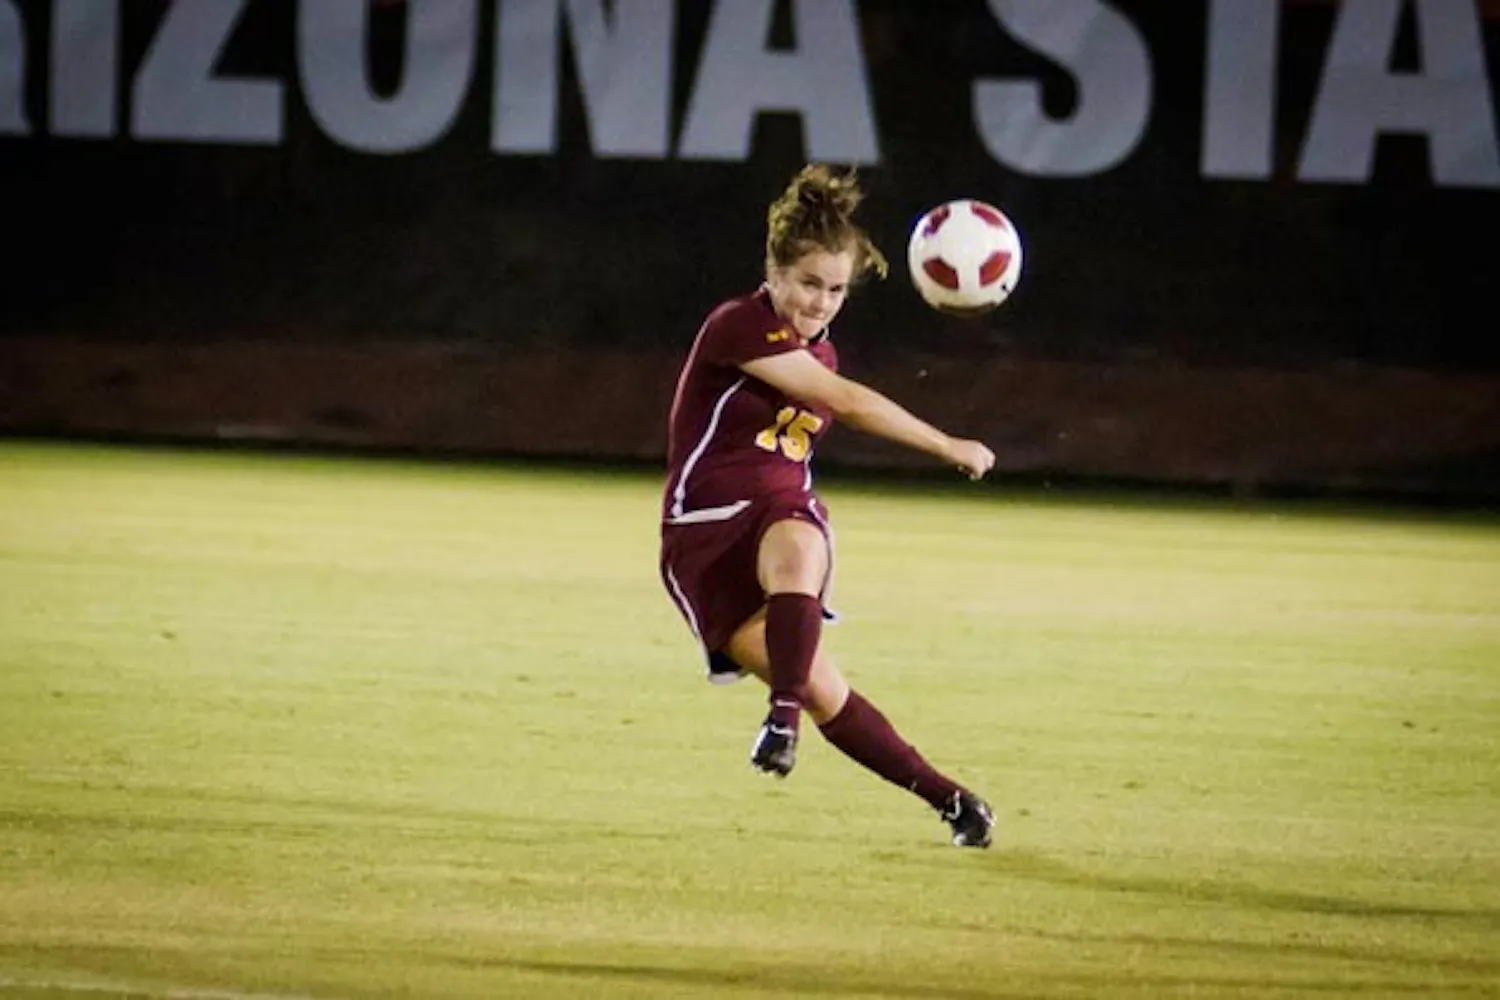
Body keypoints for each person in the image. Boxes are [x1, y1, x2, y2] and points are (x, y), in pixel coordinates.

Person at [658, 163, 998, 848]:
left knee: (800, 548)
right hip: (702, 535)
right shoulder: (738, 325)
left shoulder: (822, 351)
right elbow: (845, 402)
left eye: (836, 290)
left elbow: (821, 407)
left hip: (779, 513)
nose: (820, 303)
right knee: (820, 686)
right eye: (809, 284)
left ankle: (947, 799)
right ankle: (792, 709)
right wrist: (944, 443)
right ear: (775, 271)